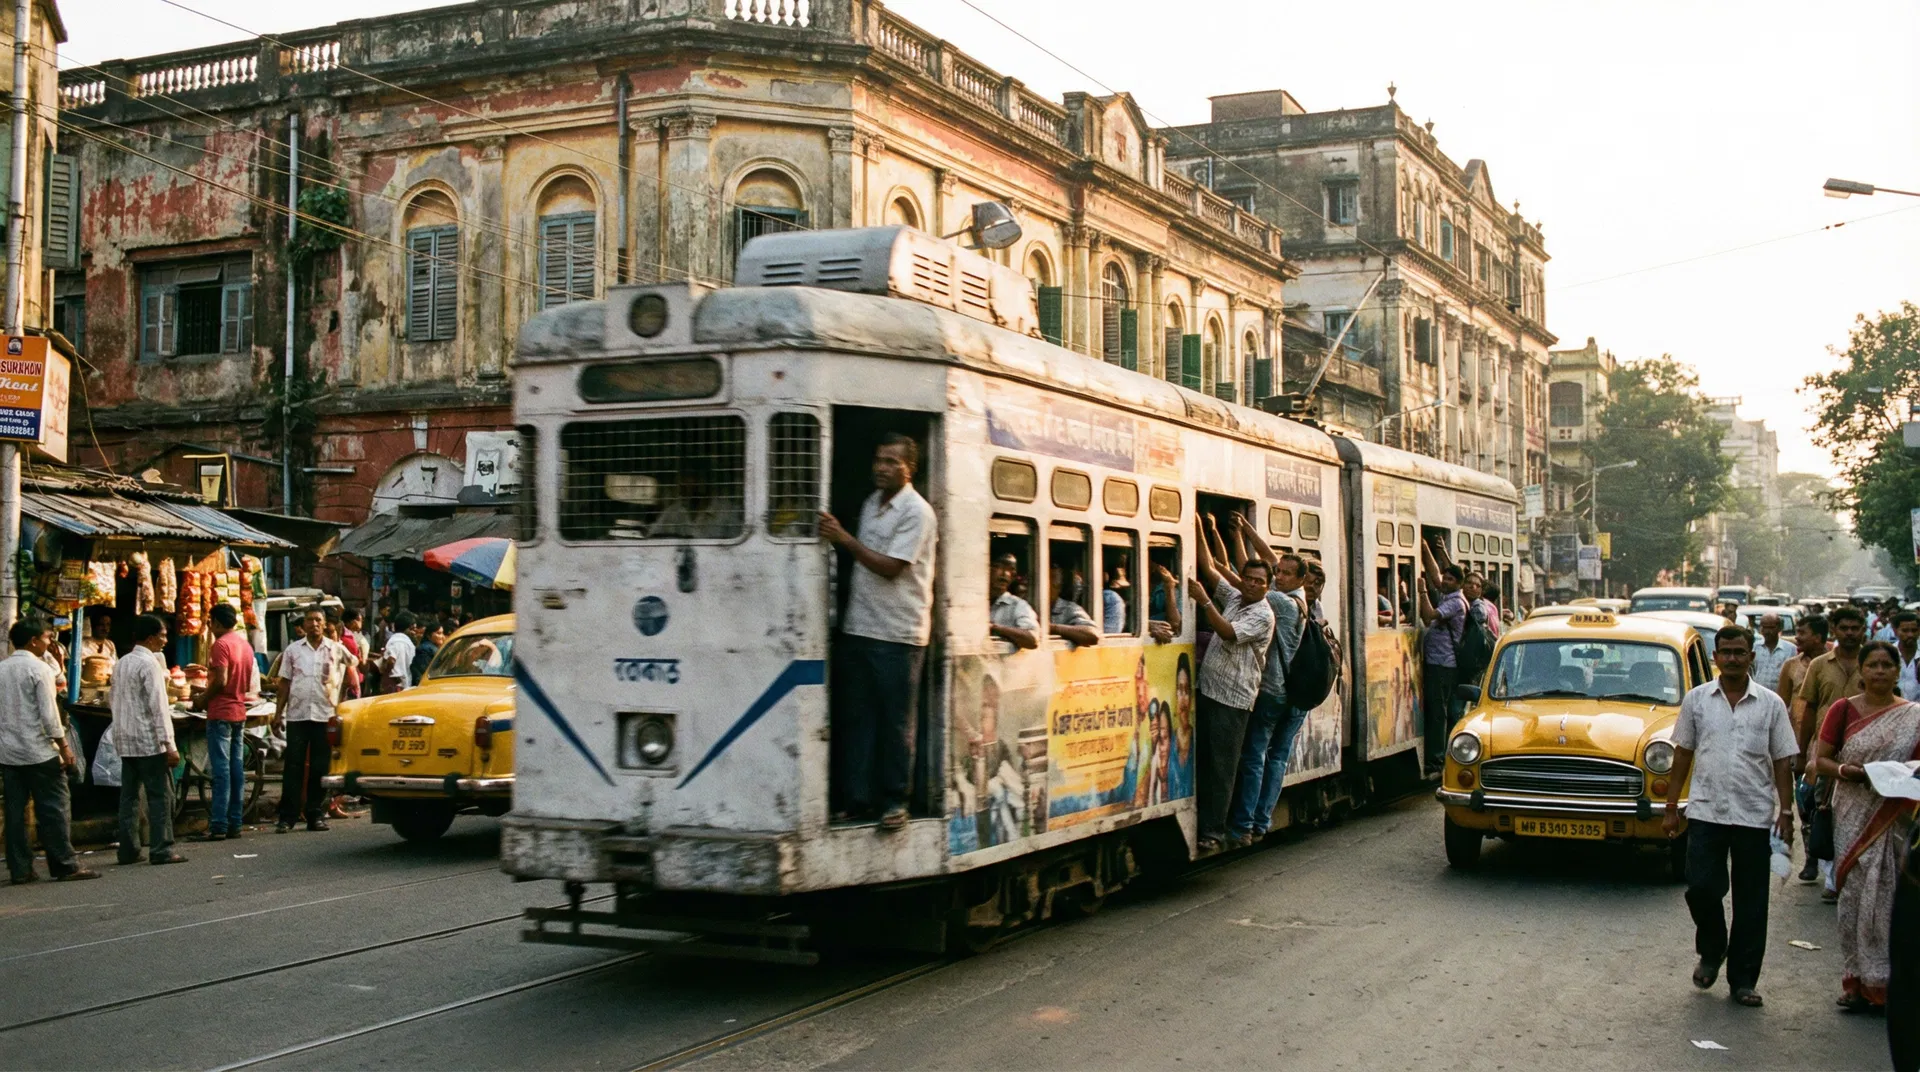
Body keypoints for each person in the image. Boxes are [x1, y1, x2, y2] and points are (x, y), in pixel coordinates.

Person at [1663, 624, 1798, 1008]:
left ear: (1751, 657)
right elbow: (1683, 754)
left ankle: (1743, 980)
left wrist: (1786, 812)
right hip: (1705, 811)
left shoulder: (1771, 704)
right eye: (1727, 653)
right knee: (1701, 888)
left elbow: (1783, 761)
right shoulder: (1697, 700)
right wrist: (1672, 808)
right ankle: (1713, 948)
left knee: (1751, 901)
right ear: (1715, 658)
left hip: (1754, 815)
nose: (1734, 659)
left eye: (1741, 652)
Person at [820, 434, 937, 833]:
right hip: (860, 626)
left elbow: (891, 567)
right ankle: (858, 798)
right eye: (878, 459)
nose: (881, 467)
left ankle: (894, 801)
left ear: (910, 469)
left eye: (890, 461)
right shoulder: (872, 504)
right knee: (859, 718)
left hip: (899, 634)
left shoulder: (917, 512)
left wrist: (844, 540)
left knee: (895, 723)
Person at [1806, 639, 1920, 1014]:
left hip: (1896, 814)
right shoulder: (1843, 710)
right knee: (1853, 897)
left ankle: (1885, 984)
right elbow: (1819, 760)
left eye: (1887, 666)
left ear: (1896, 671)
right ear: (1862, 671)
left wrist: (1902, 776)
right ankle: (1854, 979)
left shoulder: (1913, 716)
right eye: (1873, 665)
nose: (1880, 672)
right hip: (1852, 810)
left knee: (1887, 897)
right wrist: (1846, 772)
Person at [1187, 513, 1274, 854]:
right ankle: (1208, 823)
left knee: (1222, 766)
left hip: (1233, 699)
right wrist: (1195, 523)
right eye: (1248, 579)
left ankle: (1214, 831)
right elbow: (1209, 567)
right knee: (1205, 758)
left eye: (1259, 581)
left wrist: (1204, 600)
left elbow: (1226, 632)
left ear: (1268, 587)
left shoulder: (1262, 614)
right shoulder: (1237, 597)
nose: (1252, 585)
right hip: (1210, 690)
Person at [1226, 513, 1305, 847]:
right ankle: (1261, 822)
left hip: (1273, 692)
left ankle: (1244, 823)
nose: (1279, 576)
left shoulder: (1281, 602)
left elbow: (1244, 580)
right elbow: (1269, 563)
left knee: (1256, 756)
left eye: (1286, 573)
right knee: (1277, 757)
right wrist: (1246, 531)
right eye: (1280, 572)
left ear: (1297, 578)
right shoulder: (1303, 599)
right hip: (1298, 695)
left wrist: (1223, 552)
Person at [1, 618, 97, 883]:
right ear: (33, 641)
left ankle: (20, 869)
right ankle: (65, 864)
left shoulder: (2, 669)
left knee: (15, 813)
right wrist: (64, 747)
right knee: (54, 808)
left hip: (9, 753)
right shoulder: (39, 669)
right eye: (46, 638)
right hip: (40, 751)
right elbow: (50, 715)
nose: (49, 643)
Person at [1798, 604, 1867, 900]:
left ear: (1863, 631)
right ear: (1835, 630)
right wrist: (1802, 754)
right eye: (1845, 628)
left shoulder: (1875, 662)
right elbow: (1809, 709)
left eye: (1856, 628)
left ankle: (1856, 872)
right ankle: (1831, 874)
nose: (1850, 634)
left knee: (1862, 813)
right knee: (1823, 810)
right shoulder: (1819, 665)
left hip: (1865, 752)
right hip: (1826, 752)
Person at [111, 614, 186, 866]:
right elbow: (159, 708)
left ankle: (128, 850)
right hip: (148, 741)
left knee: (129, 797)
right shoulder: (150, 664)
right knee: (159, 796)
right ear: (152, 637)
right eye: (163, 635)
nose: (166, 640)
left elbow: (114, 700)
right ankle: (161, 848)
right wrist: (170, 745)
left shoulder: (122, 662)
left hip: (125, 739)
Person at [275, 608, 352, 834]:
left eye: (318, 620)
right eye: (309, 620)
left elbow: (351, 676)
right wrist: (278, 713)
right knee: (293, 767)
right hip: (297, 715)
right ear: (304, 624)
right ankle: (287, 817)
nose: (313, 624)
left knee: (320, 767)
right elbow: (284, 683)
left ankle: (315, 815)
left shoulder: (336, 650)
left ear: (325, 623)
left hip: (324, 715)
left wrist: (340, 702)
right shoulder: (292, 650)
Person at [190, 603, 253, 841]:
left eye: (209, 621)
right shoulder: (244, 645)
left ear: (216, 622)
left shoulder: (221, 645)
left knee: (221, 772)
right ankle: (235, 823)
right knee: (236, 770)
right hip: (238, 710)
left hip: (221, 712)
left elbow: (221, 679)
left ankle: (218, 824)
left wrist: (202, 699)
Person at [1780, 614, 1829, 881]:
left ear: (1819, 637)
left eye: (1803, 633)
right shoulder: (1791, 667)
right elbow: (1781, 706)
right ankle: (1811, 857)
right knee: (1806, 803)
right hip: (1800, 743)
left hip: (1832, 745)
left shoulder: (1835, 664)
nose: (1797, 638)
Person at [1416, 542, 1467, 774]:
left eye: (1449, 580)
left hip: (1443, 664)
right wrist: (1426, 548)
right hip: (1439, 662)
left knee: (1438, 712)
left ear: (1459, 585)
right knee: (1438, 710)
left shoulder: (1455, 602)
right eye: (1444, 579)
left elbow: (1428, 617)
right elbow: (1436, 576)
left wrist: (1422, 591)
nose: (1444, 582)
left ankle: (1437, 760)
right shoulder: (1451, 596)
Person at [987, 552, 1039, 651]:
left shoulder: (1018, 605)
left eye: (1011, 570)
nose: (1005, 574)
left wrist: (995, 628)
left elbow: (1033, 638)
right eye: (999, 567)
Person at [1047, 562, 1101, 647]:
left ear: (1060, 587)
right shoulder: (1025, 607)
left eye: (1053, 579)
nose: (1048, 585)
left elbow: (1092, 634)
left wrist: (1051, 628)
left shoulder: (1068, 608)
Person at [379, 611, 425, 692]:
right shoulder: (399, 641)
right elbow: (391, 660)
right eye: (413, 629)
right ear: (408, 628)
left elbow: (390, 660)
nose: (414, 633)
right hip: (400, 685)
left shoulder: (396, 640)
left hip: (399, 685)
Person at [1748, 613, 1792, 695]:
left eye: (1771, 627)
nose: (1767, 631)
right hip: (1758, 695)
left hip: (1781, 696)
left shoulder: (1790, 649)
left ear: (1779, 628)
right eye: (1764, 627)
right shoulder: (1755, 647)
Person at [1147, 562, 1182, 643]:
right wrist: (1146, 626)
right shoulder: (1128, 588)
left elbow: (1175, 624)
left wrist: (1169, 586)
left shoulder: (1170, 591)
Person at [1891, 610, 1920, 699]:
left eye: (1914, 630)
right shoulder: (1888, 654)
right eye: (1905, 631)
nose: (1910, 634)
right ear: (1895, 631)